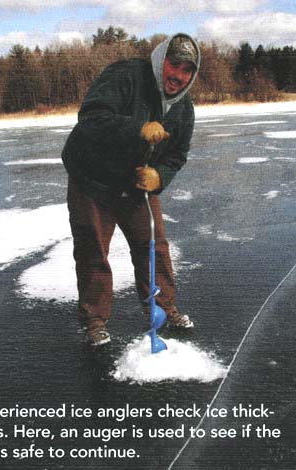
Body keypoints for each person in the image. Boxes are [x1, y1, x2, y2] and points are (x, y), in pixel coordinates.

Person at [62, 33, 200, 346]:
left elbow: (177, 155)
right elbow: (91, 118)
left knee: (154, 247)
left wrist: (160, 176)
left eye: (186, 70)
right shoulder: (126, 76)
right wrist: (137, 130)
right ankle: (94, 320)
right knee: (93, 250)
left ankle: (163, 309)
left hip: (136, 186)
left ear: (193, 75)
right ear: (160, 60)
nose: (177, 76)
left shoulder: (184, 110)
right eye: (173, 65)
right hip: (92, 181)